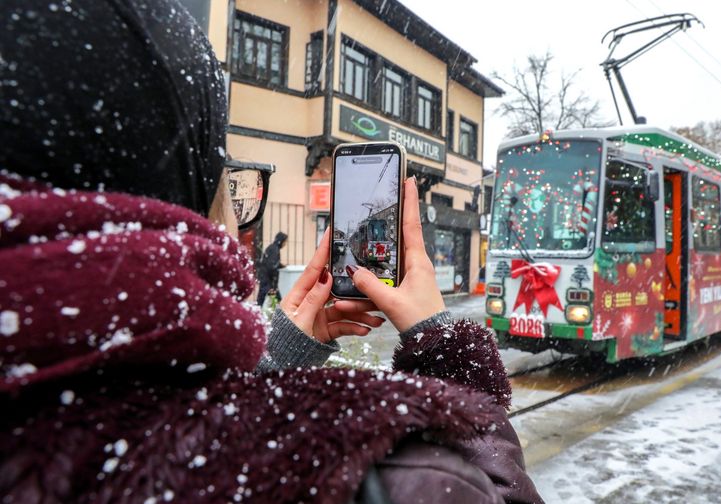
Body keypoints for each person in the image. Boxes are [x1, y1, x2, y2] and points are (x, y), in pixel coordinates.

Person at [0, 1, 541, 502]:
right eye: (227, 176)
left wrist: (273, 362)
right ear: (186, 193)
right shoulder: (373, 473)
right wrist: (444, 346)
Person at [256, 231, 288, 306]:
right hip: (268, 279)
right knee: (274, 298)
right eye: (285, 242)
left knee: (262, 298)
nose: (285, 244)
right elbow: (272, 266)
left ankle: (258, 312)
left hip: (265, 277)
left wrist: (281, 265)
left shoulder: (272, 247)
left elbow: (271, 262)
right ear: (281, 241)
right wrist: (274, 283)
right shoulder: (275, 250)